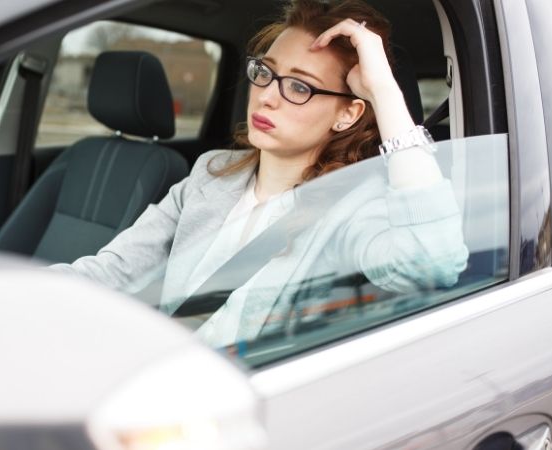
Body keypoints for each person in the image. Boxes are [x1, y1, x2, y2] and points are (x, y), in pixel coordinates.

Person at [53, 0, 469, 347]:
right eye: (266, 73)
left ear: (347, 114)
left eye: (300, 87)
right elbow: (114, 271)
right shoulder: (210, 174)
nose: (268, 97)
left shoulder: (353, 207)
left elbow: (432, 262)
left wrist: (383, 90)